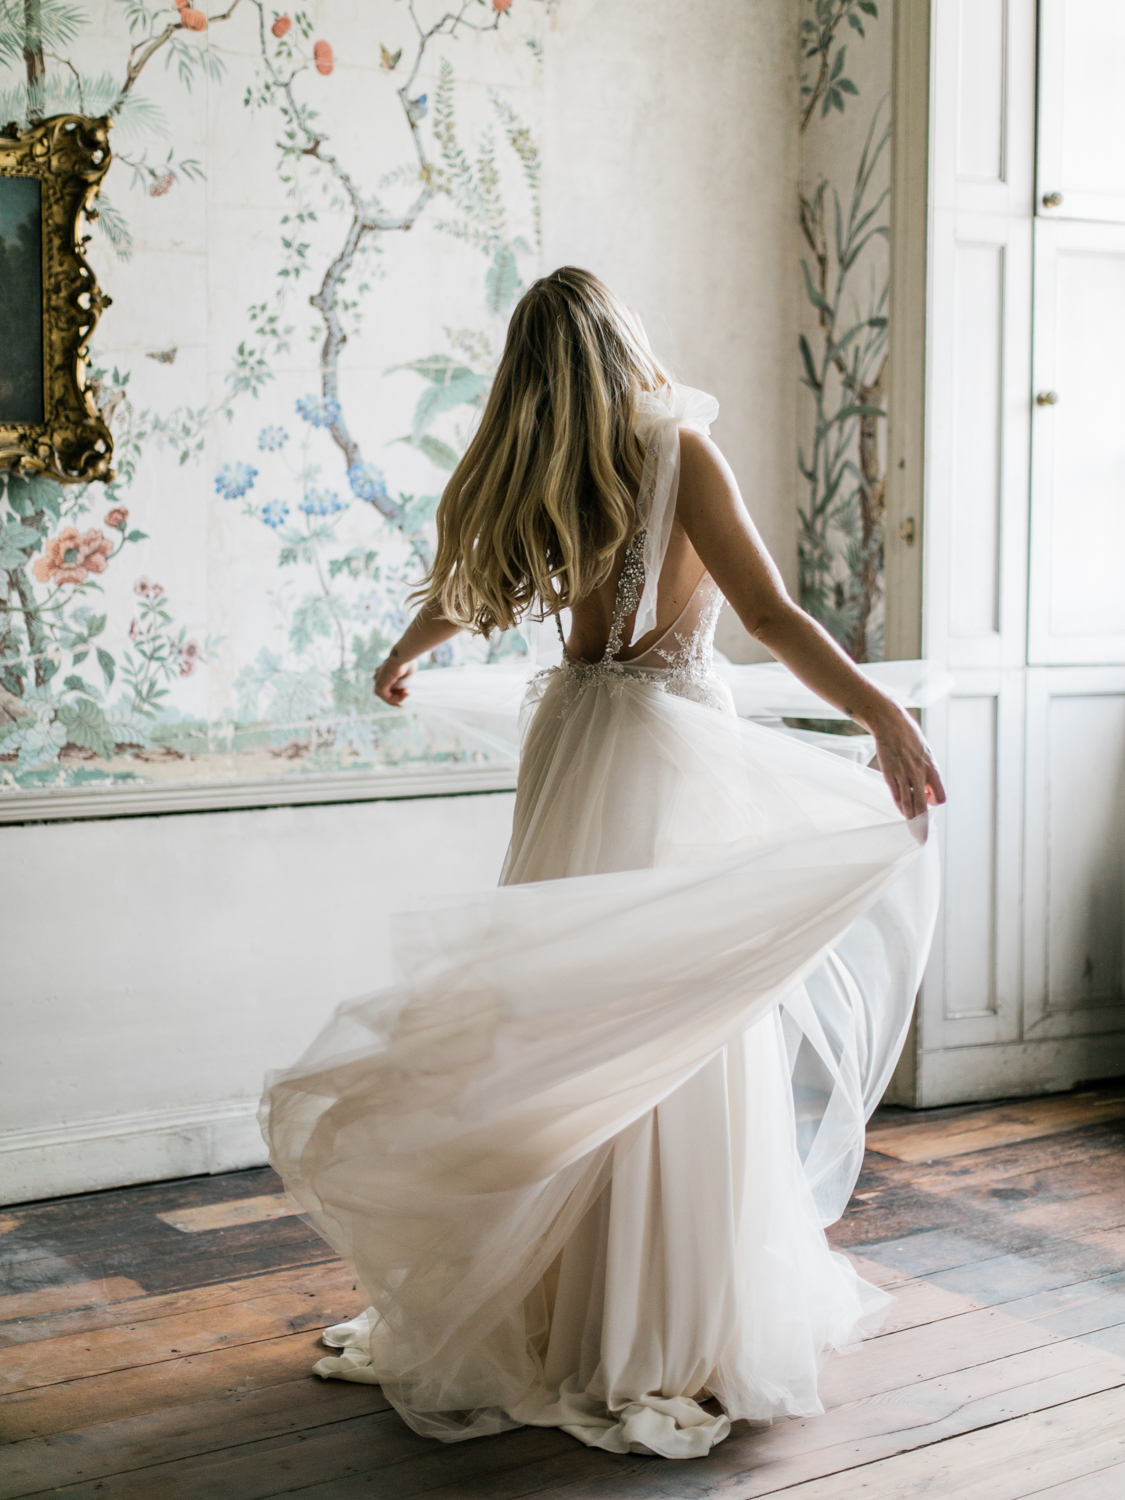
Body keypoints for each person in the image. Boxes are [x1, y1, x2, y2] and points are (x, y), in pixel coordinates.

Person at [260, 267, 945, 1460]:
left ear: (531, 373)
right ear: (623, 342)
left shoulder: (543, 468)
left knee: (557, 1007)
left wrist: (405, 648)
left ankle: (542, 1304)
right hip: (667, 756)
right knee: (673, 1015)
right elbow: (773, 617)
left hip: (574, 746)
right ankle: (662, 1322)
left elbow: (472, 591)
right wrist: (881, 713)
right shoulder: (680, 452)